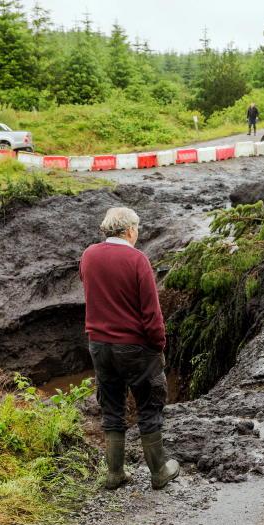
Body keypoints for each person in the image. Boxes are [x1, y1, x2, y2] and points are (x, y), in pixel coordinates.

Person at [79, 207, 180, 490]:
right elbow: (152, 313)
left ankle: (114, 473)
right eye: (137, 228)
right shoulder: (137, 259)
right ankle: (159, 471)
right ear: (129, 230)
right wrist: (158, 344)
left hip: (99, 345)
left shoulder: (89, 255)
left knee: (111, 406)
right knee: (149, 404)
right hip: (135, 347)